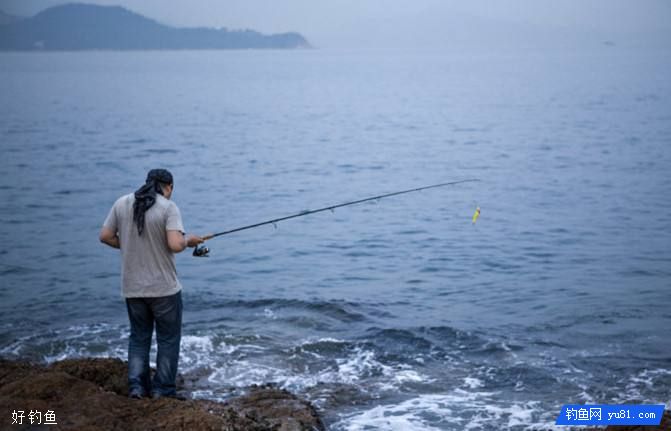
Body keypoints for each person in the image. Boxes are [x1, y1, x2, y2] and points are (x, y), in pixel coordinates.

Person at [99, 168, 206, 399]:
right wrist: (190, 240)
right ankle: (162, 390)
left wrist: (128, 245)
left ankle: (137, 387)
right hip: (164, 289)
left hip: (132, 288)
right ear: (168, 187)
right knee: (168, 339)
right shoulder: (168, 207)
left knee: (139, 338)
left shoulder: (122, 203)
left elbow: (105, 236)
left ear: (148, 182)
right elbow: (175, 244)